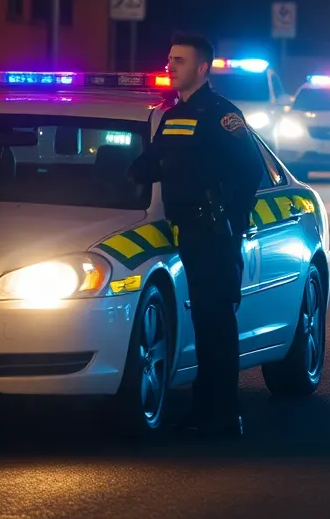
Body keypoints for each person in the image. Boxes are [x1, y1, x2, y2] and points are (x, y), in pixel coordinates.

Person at [130, 32, 263, 438]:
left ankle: (222, 414)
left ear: (203, 68)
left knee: (215, 322)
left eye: (180, 61)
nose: (170, 67)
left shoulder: (223, 115)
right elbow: (148, 166)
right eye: (170, 59)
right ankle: (206, 409)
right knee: (204, 320)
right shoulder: (172, 116)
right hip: (186, 228)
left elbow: (251, 169)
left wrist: (231, 218)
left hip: (213, 230)